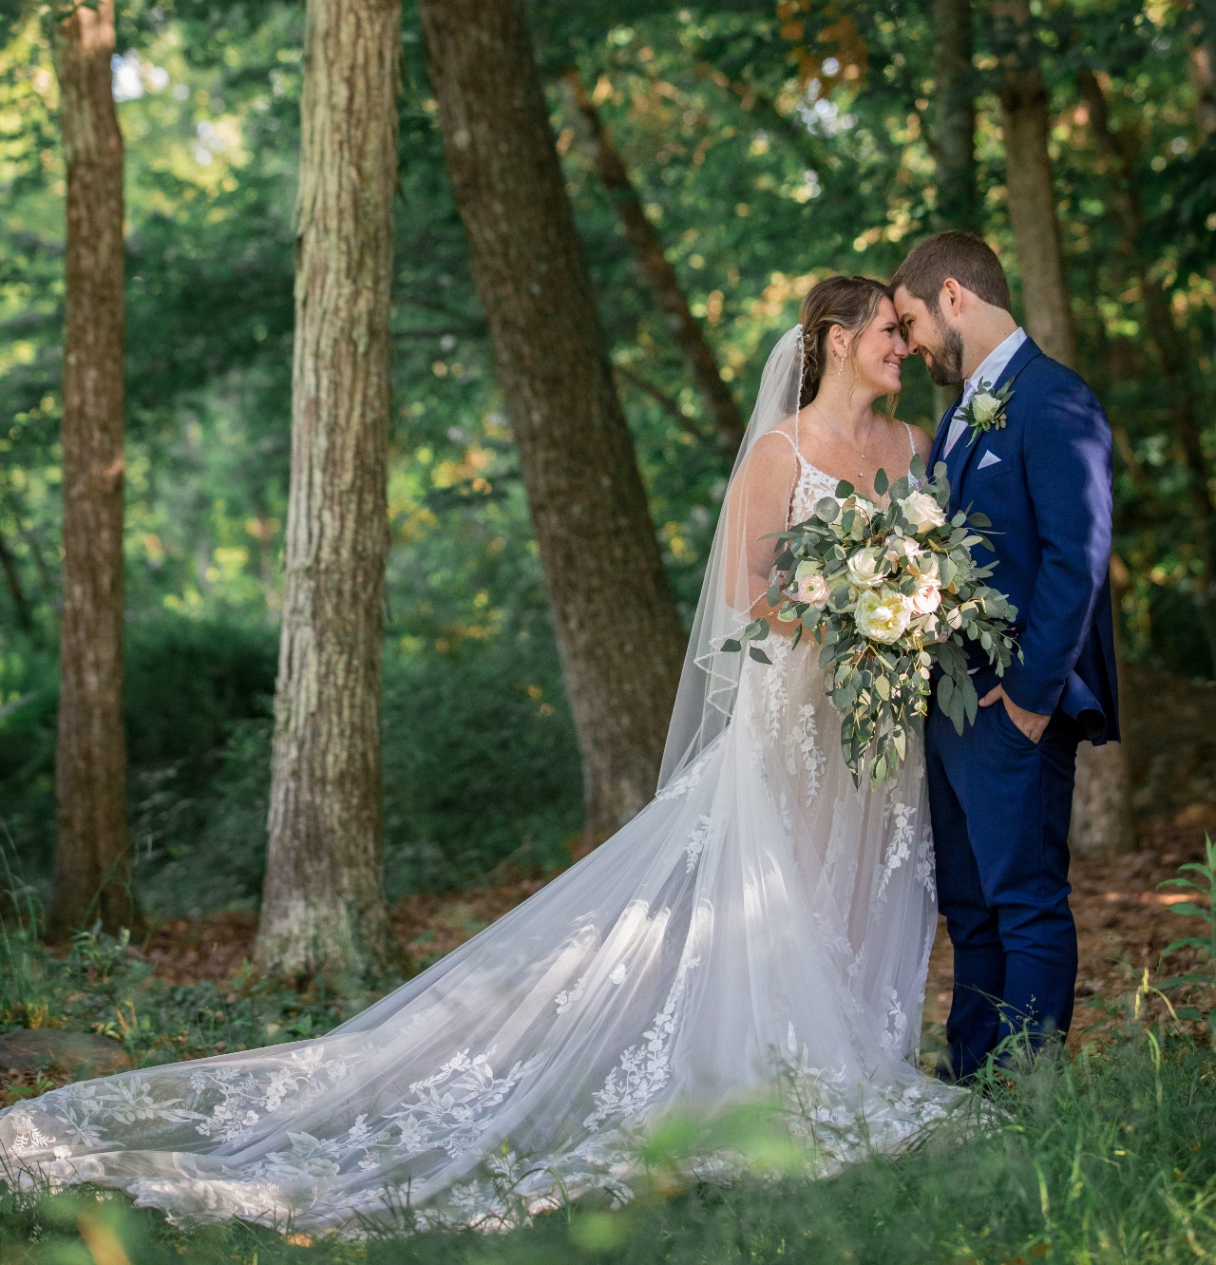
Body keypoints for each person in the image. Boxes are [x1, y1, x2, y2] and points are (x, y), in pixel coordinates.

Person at [0, 277, 953, 1231]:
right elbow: (746, 593)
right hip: (791, 712)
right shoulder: (779, 455)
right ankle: (786, 1069)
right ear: (833, 340)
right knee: (781, 876)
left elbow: (933, 563)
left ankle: (862, 1053)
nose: (902, 350)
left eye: (904, 339)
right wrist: (846, 618)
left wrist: (904, 615)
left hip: (875, 716)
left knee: (863, 874)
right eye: (886, 334)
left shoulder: (911, 448)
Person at [892, 231, 1117, 1082]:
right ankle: (972, 1083)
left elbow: (1077, 553)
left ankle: (1030, 1096)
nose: (910, 347)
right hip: (951, 706)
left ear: (954, 296)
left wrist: (1031, 693)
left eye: (910, 322)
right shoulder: (958, 418)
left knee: (1024, 902)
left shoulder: (1056, 400)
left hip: (1015, 704)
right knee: (971, 908)